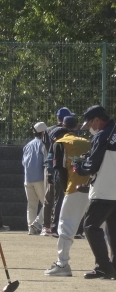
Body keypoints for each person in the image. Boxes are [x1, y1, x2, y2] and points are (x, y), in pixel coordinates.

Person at [44, 116, 90, 276]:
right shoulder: (85, 140)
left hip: (76, 187)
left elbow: (60, 170)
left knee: (65, 225)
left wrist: (65, 192)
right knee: (104, 227)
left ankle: (62, 264)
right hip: (96, 187)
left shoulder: (59, 143)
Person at [74, 105, 116, 279]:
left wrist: (79, 166)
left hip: (104, 190)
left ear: (97, 120)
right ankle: (112, 267)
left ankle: (104, 267)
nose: (90, 128)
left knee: (90, 226)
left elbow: (93, 166)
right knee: (113, 230)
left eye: (90, 124)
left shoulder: (102, 135)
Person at [41, 107, 73, 236]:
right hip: (63, 166)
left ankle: (46, 226)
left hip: (49, 165)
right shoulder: (68, 131)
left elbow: (44, 148)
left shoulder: (48, 130)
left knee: (49, 198)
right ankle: (59, 225)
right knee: (61, 197)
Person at [22, 121, 47, 234]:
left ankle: (31, 229)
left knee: (31, 205)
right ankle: (37, 224)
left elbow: (23, 162)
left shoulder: (28, 145)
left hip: (27, 178)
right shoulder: (43, 144)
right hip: (40, 178)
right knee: (46, 203)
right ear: (43, 132)